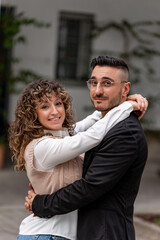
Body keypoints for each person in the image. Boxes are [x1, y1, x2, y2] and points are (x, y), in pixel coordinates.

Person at [25, 56, 148, 240]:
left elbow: (89, 186)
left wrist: (40, 203)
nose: (98, 91)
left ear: (125, 89)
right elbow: (84, 128)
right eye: (93, 82)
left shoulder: (125, 133)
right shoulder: (105, 125)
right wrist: (126, 105)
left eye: (107, 83)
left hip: (105, 233)